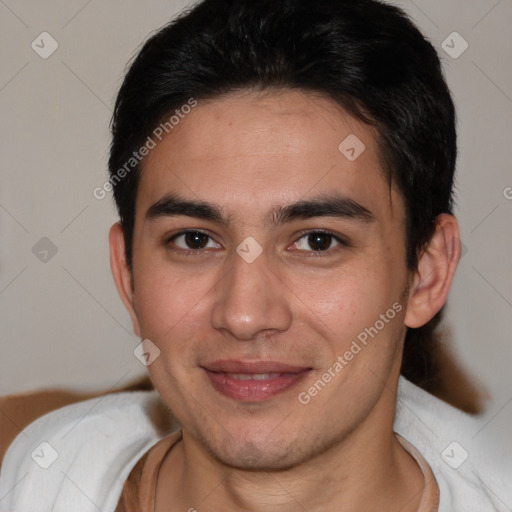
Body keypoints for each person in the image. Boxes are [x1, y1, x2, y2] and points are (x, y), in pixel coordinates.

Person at [0, 0, 510, 510]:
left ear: (426, 272)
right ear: (127, 274)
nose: (244, 315)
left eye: (317, 241)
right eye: (194, 240)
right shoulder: (47, 474)